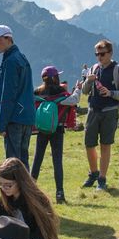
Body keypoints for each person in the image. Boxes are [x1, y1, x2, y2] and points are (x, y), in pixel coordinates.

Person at [80, 38, 119, 190]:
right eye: (97, 54)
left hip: (110, 112)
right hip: (93, 111)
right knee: (89, 144)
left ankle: (102, 178)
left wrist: (111, 93)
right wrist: (88, 81)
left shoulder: (118, 70)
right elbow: (84, 91)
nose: (99, 57)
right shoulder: (94, 69)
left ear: (110, 53)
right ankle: (94, 172)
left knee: (105, 145)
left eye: (102, 54)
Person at [0, 24, 33, 164]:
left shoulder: (11, 61)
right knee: (23, 161)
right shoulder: (21, 57)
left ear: (8, 39)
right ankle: (26, 186)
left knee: (13, 163)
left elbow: (8, 96)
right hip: (26, 117)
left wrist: (1, 124)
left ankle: (16, 186)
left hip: (14, 118)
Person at [30, 66, 73, 204]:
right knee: (57, 161)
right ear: (56, 78)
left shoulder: (37, 92)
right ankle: (59, 193)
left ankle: (29, 190)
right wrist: (78, 89)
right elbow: (74, 100)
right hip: (57, 130)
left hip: (42, 130)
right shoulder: (62, 93)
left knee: (37, 159)